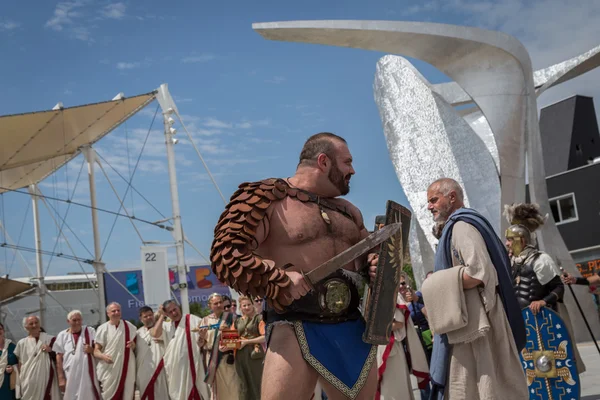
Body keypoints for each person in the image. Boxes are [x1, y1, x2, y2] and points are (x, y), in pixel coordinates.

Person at [210, 132, 379, 400]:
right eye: (347, 162)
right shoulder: (266, 198)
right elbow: (226, 252)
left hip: (350, 326)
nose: (352, 170)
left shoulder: (349, 211)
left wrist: (374, 264)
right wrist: (277, 277)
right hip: (294, 323)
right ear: (323, 162)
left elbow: (367, 257)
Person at [420, 178, 527, 400]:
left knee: (481, 389)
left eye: (433, 199)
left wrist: (434, 287)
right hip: (470, 322)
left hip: (477, 325)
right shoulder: (459, 225)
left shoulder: (461, 227)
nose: (429, 206)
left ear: (452, 197)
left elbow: (478, 272)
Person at [376, 272, 430, 400]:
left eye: (403, 283)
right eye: (398, 283)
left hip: (412, 342)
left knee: (402, 387)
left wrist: (415, 301)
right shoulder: (389, 297)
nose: (401, 286)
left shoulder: (412, 297)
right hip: (396, 346)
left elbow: (399, 323)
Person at [152, 299, 210, 400]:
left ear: (179, 307)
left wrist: (202, 339)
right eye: (170, 312)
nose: (174, 313)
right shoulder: (166, 326)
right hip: (175, 371)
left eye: (175, 309)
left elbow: (205, 339)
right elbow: (155, 333)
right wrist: (162, 316)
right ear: (167, 313)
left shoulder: (193, 320)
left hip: (193, 368)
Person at [200, 293, 240, 400]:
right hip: (213, 359)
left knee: (233, 389)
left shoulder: (232, 318)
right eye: (215, 303)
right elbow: (200, 344)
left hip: (228, 359)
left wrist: (227, 332)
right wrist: (202, 337)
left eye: (220, 302)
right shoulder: (205, 321)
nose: (219, 305)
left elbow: (237, 342)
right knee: (217, 391)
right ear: (209, 305)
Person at [53, 310, 101, 399]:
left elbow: (99, 349)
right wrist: (61, 378)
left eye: (79, 320)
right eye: (74, 320)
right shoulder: (62, 335)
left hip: (87, 374)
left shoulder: (90, 331)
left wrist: (91, 350)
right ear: (68, 321)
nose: (77, 322)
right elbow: (59, 357)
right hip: (70, 374)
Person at [94, 302, 137, 400]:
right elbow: (96, 351)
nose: (116, 312)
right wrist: (103, 357)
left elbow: (134, 348)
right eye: (113, 311)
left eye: (118, 310)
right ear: (108, 313)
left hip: (127, 366)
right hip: (109, 369)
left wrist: (132, 345)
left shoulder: (129, 326)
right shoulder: (103, 328)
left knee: (128, 394)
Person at [14, 315, 61, 399]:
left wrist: (50, 350)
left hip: (47, 380)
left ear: (39, 324)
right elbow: (20, 364)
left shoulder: (50, 339)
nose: (34, 325)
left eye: (36, 323)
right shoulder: (21, 343)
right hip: (28, 383)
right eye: (31, 323)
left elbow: (59, 358)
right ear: (26, 327)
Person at [234, 296, 266, 400]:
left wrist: (247, 341)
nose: (247, 307)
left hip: (255, 354)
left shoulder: (259, 318)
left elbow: (265, 337)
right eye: (244, 305)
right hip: (240, 356)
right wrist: (224, 346)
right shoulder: (237, 321)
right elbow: (231, 338)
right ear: (240, 307)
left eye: (249, 304)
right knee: (243, 384)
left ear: (253, 305)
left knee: (258, 382)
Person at [136, 306, 169, 399]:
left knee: (161, 394)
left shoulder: (163, 328)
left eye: (150, 315)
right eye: (145, 316)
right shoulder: (138, 333)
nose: (149, 318)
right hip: (144, 371)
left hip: (160, 369)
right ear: (141, 319)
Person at [0, 322, 17, 400]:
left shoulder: (12, 347)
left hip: (9, 385)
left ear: (3, 330)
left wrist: (13, 368)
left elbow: (20, 364)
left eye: (0, 329)